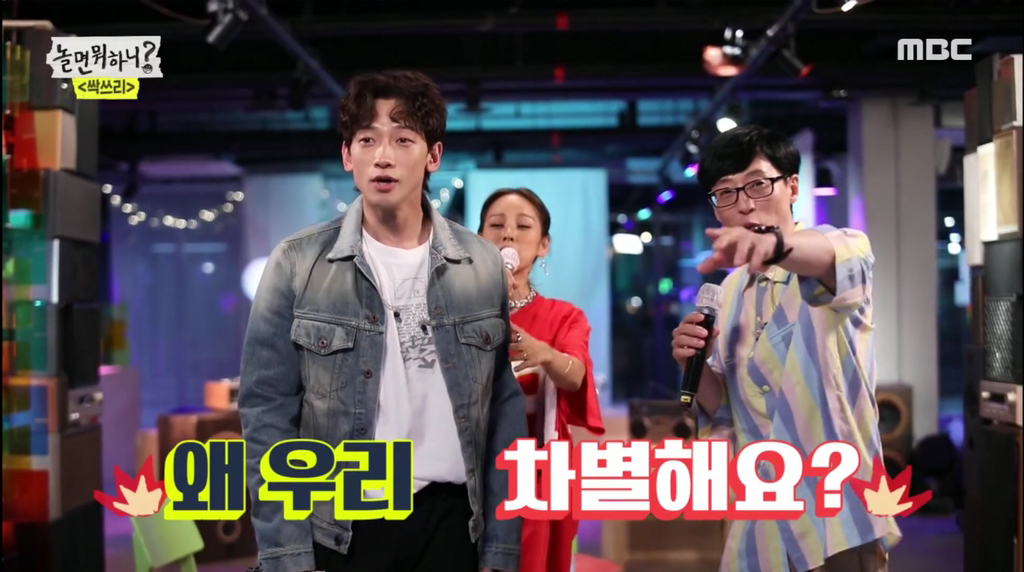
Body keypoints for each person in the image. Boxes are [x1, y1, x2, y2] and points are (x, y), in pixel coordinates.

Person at [238, 70, 527, 572]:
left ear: (433, 156)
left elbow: (502, 409)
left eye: (403, 139)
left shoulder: (480, 264)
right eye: (367, 140)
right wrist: (285, 552)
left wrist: (501, 546)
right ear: (347, 156)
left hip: (453, 520)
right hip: (343, 524)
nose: (383, 156)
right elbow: (266, 410)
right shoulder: (298, 262)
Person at [670, 125, 901, 572]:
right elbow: (728, 412)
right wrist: (692, 366)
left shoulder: (838, 248)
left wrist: (772, 245)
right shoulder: (729, 291)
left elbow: (829, 256)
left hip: (836, 510)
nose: (744, 204)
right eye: (726, 193)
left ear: (792, 186)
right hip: (761, 513)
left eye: (757, 184)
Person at [477, 188, 605, 572]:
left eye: (523, 226)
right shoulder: (456, 312)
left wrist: (545, 353)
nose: (508, 234)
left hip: (535, 475)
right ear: (479, 240)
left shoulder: (564, 317)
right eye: (496, 225)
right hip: (470, 473)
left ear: (543, 245)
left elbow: (575, 376)